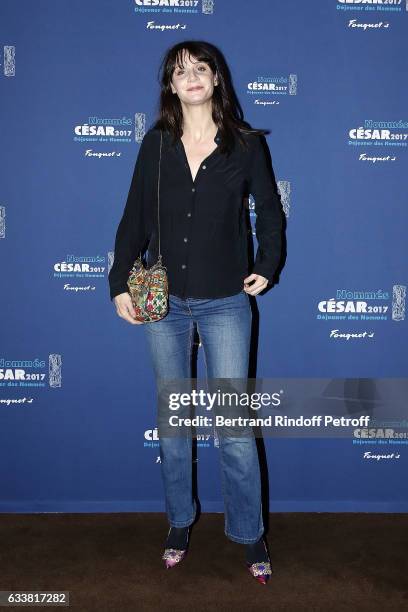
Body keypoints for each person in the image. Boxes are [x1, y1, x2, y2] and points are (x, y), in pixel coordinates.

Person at [108, 40, 283, 585]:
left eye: (200, 68)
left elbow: (272, 215)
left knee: (232, 426)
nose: (191, 77)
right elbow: (134, 217)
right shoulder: (155, 144)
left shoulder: (246, 145)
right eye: (180, 71)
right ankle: (179, 522)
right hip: (165, 304)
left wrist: (268, 263)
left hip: (227, 302)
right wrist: (119, 284)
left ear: (216, 79)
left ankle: (250, 532)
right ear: (170, 84)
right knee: (175, 424)